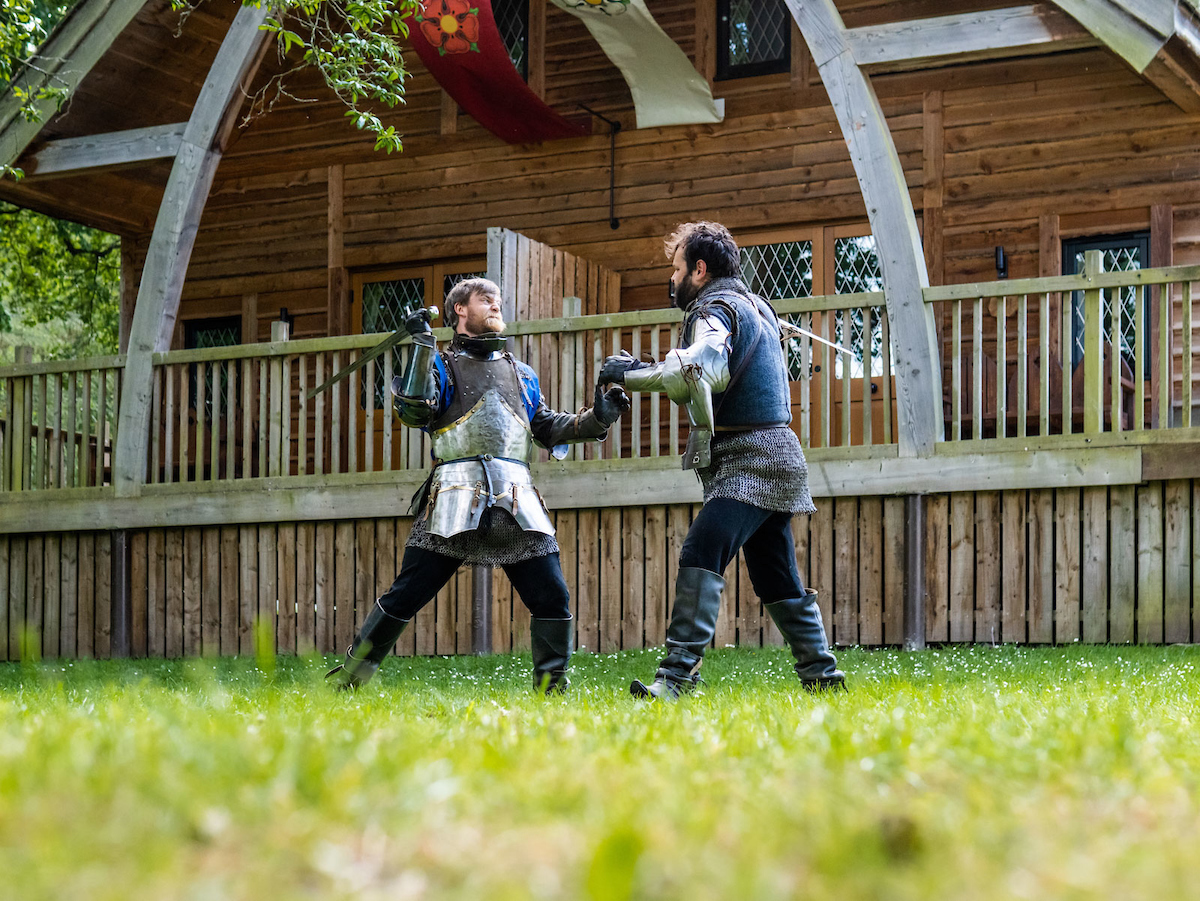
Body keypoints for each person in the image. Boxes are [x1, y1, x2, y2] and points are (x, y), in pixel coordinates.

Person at [327, 277, 630, 693]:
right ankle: (349, 681)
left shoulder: (521, 374)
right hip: (452, 497)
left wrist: (599, 416)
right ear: (460, 311)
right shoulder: (440, 364)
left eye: (499, 301)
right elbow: (415, 411)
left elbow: (546, 427)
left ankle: (553, 690)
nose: (495, 306)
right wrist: (420, 346)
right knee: (405, 597)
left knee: (552, 597)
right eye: (485, 300)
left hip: (518, 500)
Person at [600, 221, 845, 698]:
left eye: (676, 269)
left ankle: (674, 680)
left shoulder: (714, 308)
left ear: (700, 269)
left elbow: (702, 369)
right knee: (775, 575)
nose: (671, 279)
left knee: (701, 549)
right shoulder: (755, 306)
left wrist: (631, 375)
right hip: (771, 455)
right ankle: (823, 678)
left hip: (752, 460)